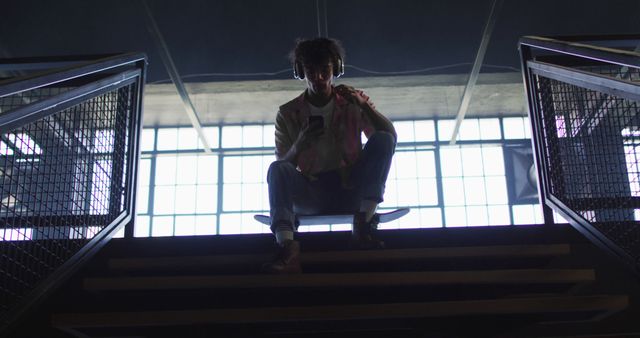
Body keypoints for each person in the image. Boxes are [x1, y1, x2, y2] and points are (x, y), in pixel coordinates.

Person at [262, 37, 397, 273]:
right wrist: (299, 144)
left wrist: (364, 106)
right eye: (311, 72)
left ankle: (363, 226)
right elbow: (281, 167)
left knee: (383, 139)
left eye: (325, 70)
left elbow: (389, 137)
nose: (319, 78)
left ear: (336, 68)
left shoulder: (352, 101)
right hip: (310, 193)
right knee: (277, 169)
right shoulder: (288, 113)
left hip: (351, 187)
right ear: (301, 72)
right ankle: (287, 247)